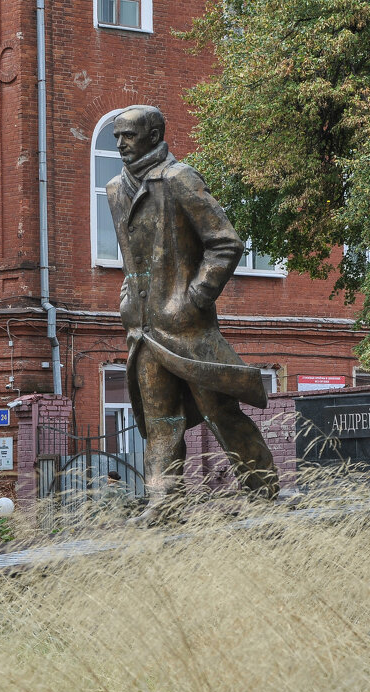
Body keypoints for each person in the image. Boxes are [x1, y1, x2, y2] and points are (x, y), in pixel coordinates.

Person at [106, 104, 279, 523]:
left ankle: (264, 491)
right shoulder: (115, 189)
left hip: (186, 325)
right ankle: (164, 503)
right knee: (159, 420)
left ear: (153, 135)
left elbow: (225, 243)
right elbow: (133, 258)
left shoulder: (179, 178)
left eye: (128, 135)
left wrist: (196, 296)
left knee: (220, 412)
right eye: (116, 137)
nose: (121, 143)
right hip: (142, 327)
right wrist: (128, 296)